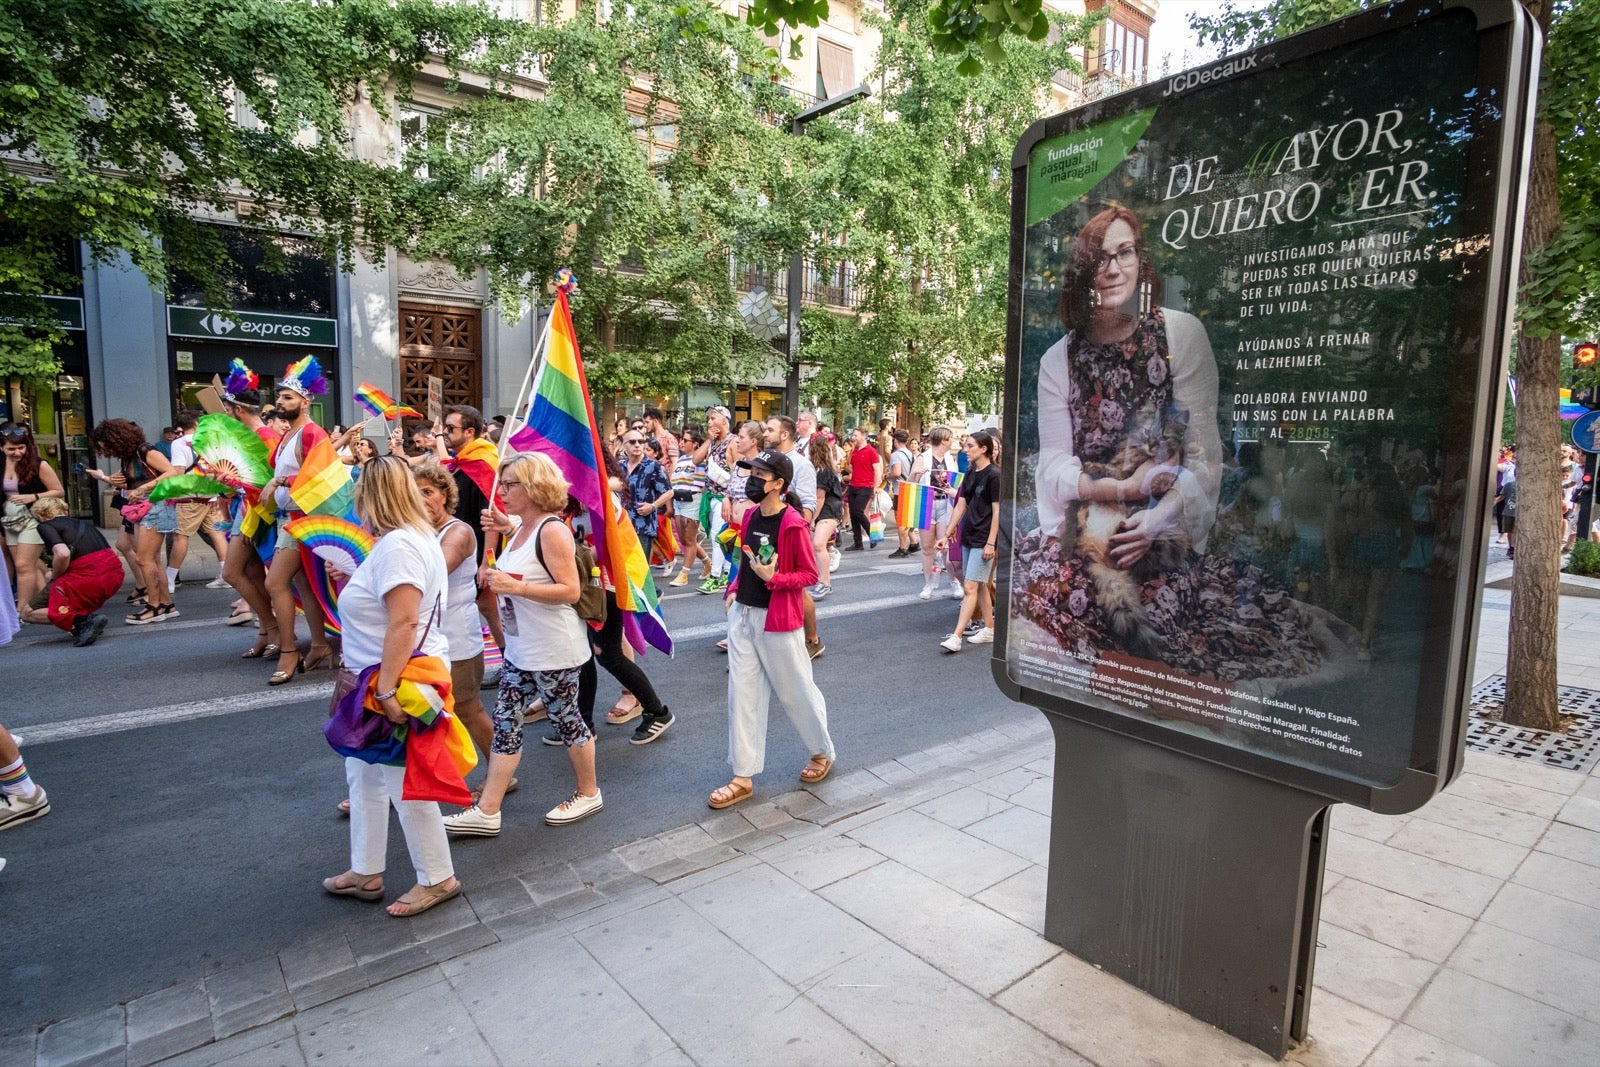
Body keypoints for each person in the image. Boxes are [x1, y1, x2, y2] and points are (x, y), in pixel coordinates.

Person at [321, 454, 461, 917]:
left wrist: (384, 691)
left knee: (404, 782)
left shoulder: (399, 545)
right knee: (364, 776)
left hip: (392, 681)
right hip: (380, 678)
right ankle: (365, 869)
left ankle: (438, 877)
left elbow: (403, 622)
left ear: (370, 495)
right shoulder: (410, 539)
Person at [446, 453, 599, 835]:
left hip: (553, 651)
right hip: (521, 649)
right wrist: (503, 528)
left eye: (511, 484)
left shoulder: (551, 530)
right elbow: (514, 534)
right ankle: (489, 809)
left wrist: (515, 587)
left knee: (568, 721)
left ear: (532, 487)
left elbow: (570, 590)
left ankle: (589, 792)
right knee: (504, 724)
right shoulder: (524, 527)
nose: (503, 490)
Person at [708, 449, 836, 810]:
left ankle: (821, 751)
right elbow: (744, 559)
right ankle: (742, 776)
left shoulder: (792, 523)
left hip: (778, 620)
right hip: (744, 616)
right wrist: (734, 589)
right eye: (751, 472)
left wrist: (776, 578)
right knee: (742, 695)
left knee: (796, 690)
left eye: (760, 474)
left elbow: (809, 575)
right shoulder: (749, 514)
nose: (752, 480)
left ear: (779, 484)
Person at [258, 357, 336, 684]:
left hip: (303, 520)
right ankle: (319, 646)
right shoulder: (288, 434)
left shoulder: (311, 433)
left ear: (307, 402)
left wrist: (278, 483)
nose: (280, 402)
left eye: (288, 397)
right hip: (286, 517)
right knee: (305, 585)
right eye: (280, 397)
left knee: (275, 583)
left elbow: (321, 475)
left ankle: (289, 651)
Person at [217, 365, 283, 658]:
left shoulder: (267, 437)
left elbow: (273, 483)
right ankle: (266, 631)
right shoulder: (247, 437)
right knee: (252, 574)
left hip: (262, 514)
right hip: (247, 509)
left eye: (227, 410)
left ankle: (275, 629)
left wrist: (236, 482)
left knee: (233, 572)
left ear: (237, 411)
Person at [88, 418, 181, 624]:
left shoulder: (145, 450)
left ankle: (155, 606)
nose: (106, 451)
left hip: (153, 505)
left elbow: (172, 471)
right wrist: (114, 480)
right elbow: (137, 478)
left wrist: (142, 489)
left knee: (144, 559)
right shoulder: (129, 456)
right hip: (144, 508)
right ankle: (165, 604)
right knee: (153, 560)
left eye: (107, 445)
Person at [21, 497, 122, 646]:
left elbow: (63, 553)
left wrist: (54, 576)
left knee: (27, 613)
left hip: (86, 577)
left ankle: (83, 622)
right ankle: (82, 624)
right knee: (72, 602)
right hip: (114, 574)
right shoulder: (84, 524)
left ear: (41, 516)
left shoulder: (45, 526)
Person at [935, 431, 1001, 651]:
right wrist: (947, 534)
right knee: (979, 584)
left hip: (984, 539)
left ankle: (957, 635)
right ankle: (990, 628)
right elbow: (961, 504)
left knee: (970, 587)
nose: (965, 449)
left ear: (983, 449)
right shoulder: (971, 472)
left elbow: (997, 511)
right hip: (969, 535)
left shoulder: (994, 475)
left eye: (970, 446)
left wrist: (991, 542)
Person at [764, 415, 822, 657]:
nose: (765, 433)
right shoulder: (767, 460)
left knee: (798, 589)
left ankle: (812, 640)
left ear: (785, 434)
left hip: (790, 531)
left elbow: (808, 502)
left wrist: (798, 529)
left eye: (770, 430)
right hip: (768, 530)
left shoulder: (800, 464)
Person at [2, 422, 65, 615]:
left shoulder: (39, 464)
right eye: (11, 448)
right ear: (2, 447)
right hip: (9, 520)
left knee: (22, 564)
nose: (17, 452)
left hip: (33, 518)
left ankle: (22, 609)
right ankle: (40, 606)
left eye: (21, 447)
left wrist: (33, 497)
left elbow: (59, 491)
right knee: (26, 567)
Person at [166, 410, 228, 592]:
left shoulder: (178, 443)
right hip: (211, 494)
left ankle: (169, 579)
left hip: (189, 495)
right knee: (217, 534)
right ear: (196, 424)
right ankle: (226, 574)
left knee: (180, 536)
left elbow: (178, 471)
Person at [910, 426, 960, 599]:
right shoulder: (922, 458)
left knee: (946, 547)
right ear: (944, 440)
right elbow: (910, 485)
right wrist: (916, 473)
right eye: (950, 438)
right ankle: (928, 584)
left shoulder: (950, 459)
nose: (953, 441)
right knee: (927, 548)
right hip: (927, 504)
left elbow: (956, 481)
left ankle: (954, 581)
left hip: (945, 503)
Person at [695, 406, 734, 593]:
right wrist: (709, 440)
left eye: (713, 418)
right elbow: (696, 459)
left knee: (718, 536)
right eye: (708, 419)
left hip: (724, 498)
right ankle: (725, 573)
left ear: (724, 420)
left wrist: (729, 497)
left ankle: (716, 576)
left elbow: (738, 472)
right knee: (719, 535)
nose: (709, 422)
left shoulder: (733, 442)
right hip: (712, 496)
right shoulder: (712, 442)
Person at [621, 426, 672, 562]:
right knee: (624, 565)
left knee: (641, 566)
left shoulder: (652, 466)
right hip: (622, 523)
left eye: (640, 441)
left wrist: (653, 506)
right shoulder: (620, 466)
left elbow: (669, 492)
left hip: (643, 524)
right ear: (624, 446)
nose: (637, 445)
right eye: (632, 442)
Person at [669, 424, 710, 587]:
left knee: (690, 539)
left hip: (693, 499)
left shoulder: (700, 459)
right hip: (678, 500)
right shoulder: (680, 459)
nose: (681, 443)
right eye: (681, 440)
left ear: (695, 444)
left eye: (685, 440)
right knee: (686, 541)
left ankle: (684, 574)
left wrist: (709, 439)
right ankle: (708, 563)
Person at [809, 432, 844, 601]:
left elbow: (820, 497)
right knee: (816, 546)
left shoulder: (822, 471)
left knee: (818, 545)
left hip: (828, 510)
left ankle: (825, 583)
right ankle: (820, 581)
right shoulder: (822, 469)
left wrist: (813, 518)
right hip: (829, 510)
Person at [844, 426, 879, 551]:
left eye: (856, 435)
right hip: (853, 485)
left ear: (864, 436)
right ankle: (858, 543)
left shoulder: (871, 451)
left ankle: (872, 535)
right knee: (853, 514)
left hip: (865, 486)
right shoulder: (855, 451)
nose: (854, 438)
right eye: (853, 435)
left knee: (858, 511)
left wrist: (876, 486)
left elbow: (877, 470)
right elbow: (851, 467)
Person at [887, 430, 916, 557]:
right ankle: (913, 543)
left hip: (900, 489)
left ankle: (902, 548)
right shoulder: (911, 454)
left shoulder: (896, 455)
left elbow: (897, 472)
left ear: (895, 441)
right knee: (907, 520)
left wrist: (887, 475)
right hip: (911, 488)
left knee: (900, 521)